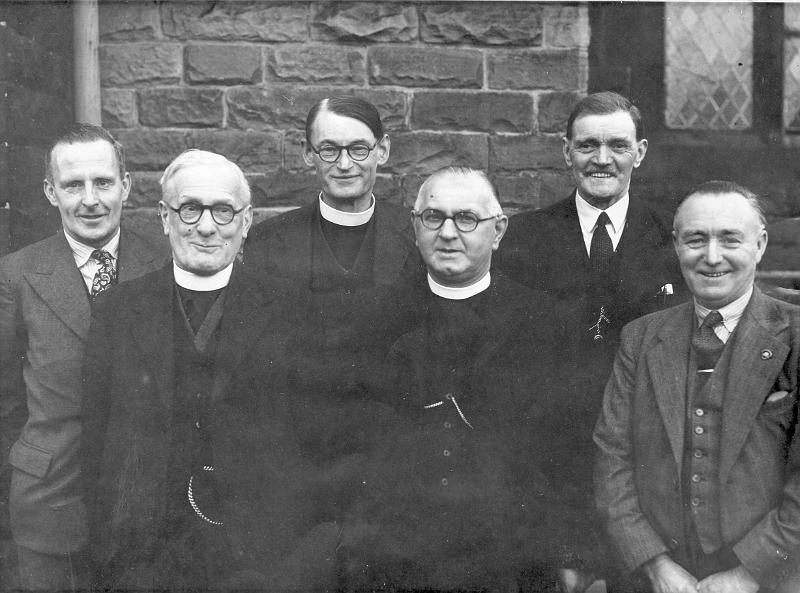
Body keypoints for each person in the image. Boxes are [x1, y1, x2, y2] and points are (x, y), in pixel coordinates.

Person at [337, 167, 593, 592]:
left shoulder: (545, 322)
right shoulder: (372, 320)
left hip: (510, 557)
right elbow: (351, 447)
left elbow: (566, 447)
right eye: (433, 218)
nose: (448, 233)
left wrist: (567, 551)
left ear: (498, 231)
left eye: (467, 219)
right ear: (416, 227)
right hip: (395, 560)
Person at [82, 150, 325, 591]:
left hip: (255, 555)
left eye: (224, 210)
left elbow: (310, 442)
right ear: (164, 216)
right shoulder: (119, 310)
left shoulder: (293, 310)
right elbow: (97, 442)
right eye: (190, 208)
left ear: (246, 220)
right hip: (147, 555)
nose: (207, 227)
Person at [495, 91, 686, 586]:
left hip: (647, 465)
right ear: (566, 152)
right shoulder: (521, 239)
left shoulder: (675, 239)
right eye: (588, 145)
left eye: (617, 145)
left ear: (639, 153)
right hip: (550, 460)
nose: (602, 159)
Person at [594, 181, 800, 593]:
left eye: (729, 239)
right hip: (656, 580)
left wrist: (747, 575)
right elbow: (611, 456)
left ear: (759, 245)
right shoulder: (641, 337)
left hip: (774, 578)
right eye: (695, 239)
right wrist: (653, 565)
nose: (711, 257)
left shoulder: (794, 335)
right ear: (676, 245)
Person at [0, 123, 166, 590]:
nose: (90, 199)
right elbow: (4, 400)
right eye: (74, 185)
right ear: (51, 192)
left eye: (104, 183)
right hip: (51, 503)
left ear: (126, 186)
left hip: (145, 501)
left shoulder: (166, 262)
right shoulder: (16, 276)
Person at [244, 95, 421, 370]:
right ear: (307, 152)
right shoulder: (267, 241)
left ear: (383, 150)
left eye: (359, 149)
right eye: (329, 150)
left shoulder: (417, 235)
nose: (345, 164)